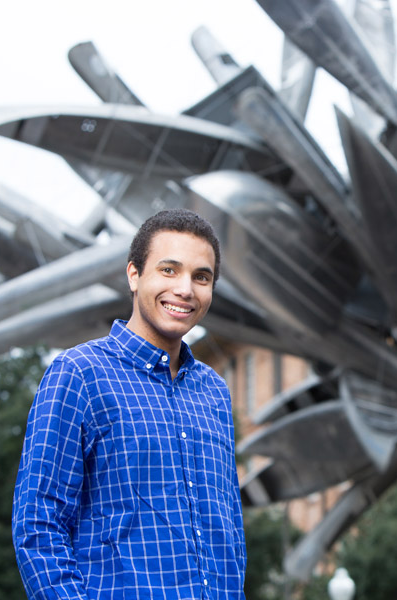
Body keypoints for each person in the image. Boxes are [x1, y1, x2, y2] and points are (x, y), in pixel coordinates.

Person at [13, 209, 246, 599]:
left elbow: (229, 531)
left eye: (201, 277)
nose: (185, 289)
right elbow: (38, 524)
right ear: (134, 275)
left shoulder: (215, 392)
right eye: (169, 270)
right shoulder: (80, 374)